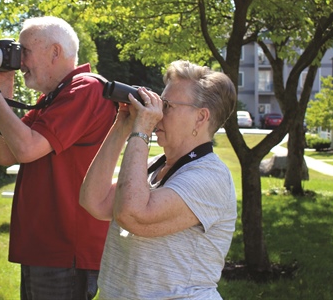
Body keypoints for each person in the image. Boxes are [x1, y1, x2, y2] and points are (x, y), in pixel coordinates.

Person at [0, 16, 116, 300]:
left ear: (55, 52)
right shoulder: (53, 97)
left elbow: (26, 149)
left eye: (24, 50)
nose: (18, 59)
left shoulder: (85, 89)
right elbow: (6, 154)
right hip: (45, 245)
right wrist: (3, 91)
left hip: (65, 248)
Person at [79, 60, 237, 299]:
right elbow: (94, 200)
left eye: (168, 106)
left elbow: (133, 214)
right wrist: (122, 125)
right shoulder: (156, 164)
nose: (159, 113)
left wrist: (141, 128)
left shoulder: (210, 177)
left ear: (201, 117)